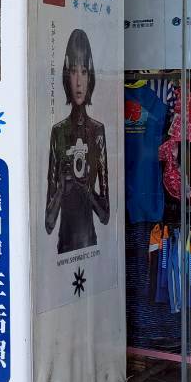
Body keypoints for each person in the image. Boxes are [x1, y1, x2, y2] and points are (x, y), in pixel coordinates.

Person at [45, 28, 110, 253]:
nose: (79, 82)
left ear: (90, 75)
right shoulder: (58, 132)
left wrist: (86, 189)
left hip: (89, 241)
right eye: (73, 71)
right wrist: (62, 188)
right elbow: (48, 223)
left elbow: (105, 215)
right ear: (67, 75)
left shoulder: (97, 131)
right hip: (64, 244)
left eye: (84, 71)